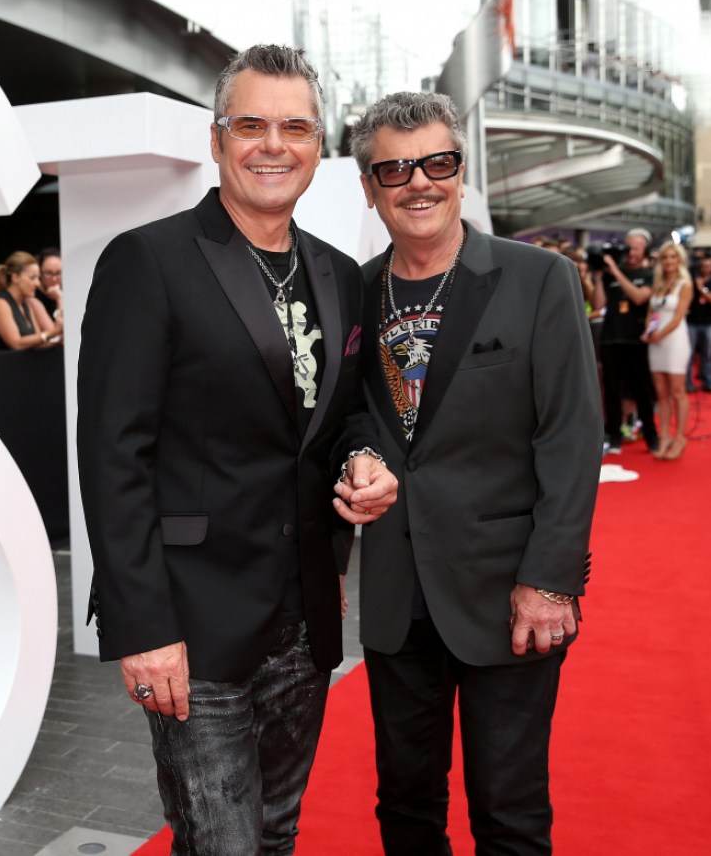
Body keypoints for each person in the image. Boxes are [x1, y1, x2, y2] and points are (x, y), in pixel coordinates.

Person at [77, 44, 397, 855]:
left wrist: (363, 459)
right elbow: (113, 457)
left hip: (305, 617)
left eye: (294, 126)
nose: (272, 144)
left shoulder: (338, 275)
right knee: (219, 841)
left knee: (275, 831)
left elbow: (345, 414)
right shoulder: (147, 261)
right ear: (215, 140)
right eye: (249, 123)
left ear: (318, 147)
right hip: (191, 620)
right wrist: (141, 626)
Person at [335, 91, 601, 854]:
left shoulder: (536, 278)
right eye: (394, 168)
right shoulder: (354, 292)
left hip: (505, 594)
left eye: (436, 162)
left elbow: (570, 438)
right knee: (405, 806)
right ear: (369, 187)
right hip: (395, 592)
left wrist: (550, 581)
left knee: (508, 812)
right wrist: (359, 455)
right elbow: (352, 417)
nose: (417, 182)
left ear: (460, 171)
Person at [592, 228, 659, 455]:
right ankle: (613, 436)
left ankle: (651, 435)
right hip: (611, 338)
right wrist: (601, 276)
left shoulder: (649, 274)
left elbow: (639, 297)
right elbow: (599, 304)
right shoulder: (610, 273)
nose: (630, 253)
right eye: (628, 247)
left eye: (635, 248)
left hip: (636, 340)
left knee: (642, 390)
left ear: (644, 251)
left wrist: (616, 272)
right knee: (611, 390)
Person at [643, 242, 692, 459]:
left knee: (677, 391)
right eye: (665, 257)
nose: (669, 261)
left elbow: (678, 316)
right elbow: (651, 313)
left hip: (675, 340)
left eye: (673, 257)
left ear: (679, 260)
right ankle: (664, 436)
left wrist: (659, 335)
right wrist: (648, 331)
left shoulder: (685, 284)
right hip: (655, 341)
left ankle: (680, 436)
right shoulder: (658, 284)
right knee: (661, 393)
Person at [0, 251, 61, 351]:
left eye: (38, 278)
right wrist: (53, 333)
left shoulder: (26, 305)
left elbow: (37, 343)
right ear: (15, 277)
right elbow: (17, 343)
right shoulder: (0, 304)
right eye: (32, 278)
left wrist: (59, 338)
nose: (37, 284)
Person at [685, 247, 711, 393]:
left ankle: (708, 381)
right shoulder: (691, 281)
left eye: (708, 266)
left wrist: (702, 289)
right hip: (692, 322)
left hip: (709, 323)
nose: (706, 268)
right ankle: (688, 383)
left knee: (707, 354)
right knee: (688, 355)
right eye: (703, 266)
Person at [34, 247, 64, 322]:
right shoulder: (32, 294)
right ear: (39, 272)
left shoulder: (69, 290)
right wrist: (59, 299)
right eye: (48, 273)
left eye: (58, 273)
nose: (54, 279)